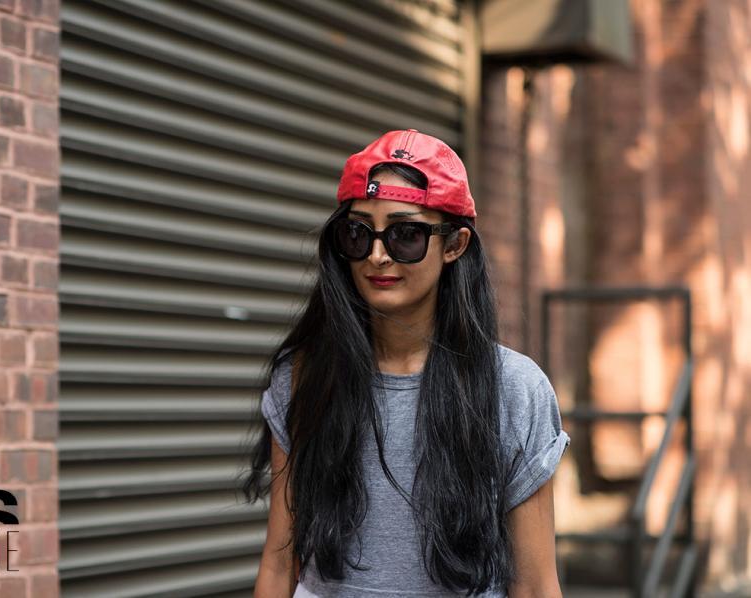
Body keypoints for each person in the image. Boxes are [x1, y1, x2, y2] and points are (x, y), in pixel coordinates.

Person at [242, 129, 571, 598]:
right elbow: (279, 564)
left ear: (454, 245)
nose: (377, 256)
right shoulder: (303, 378)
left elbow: (535, 585)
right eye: (358, 233)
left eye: (406, 235)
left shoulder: (515, 390)